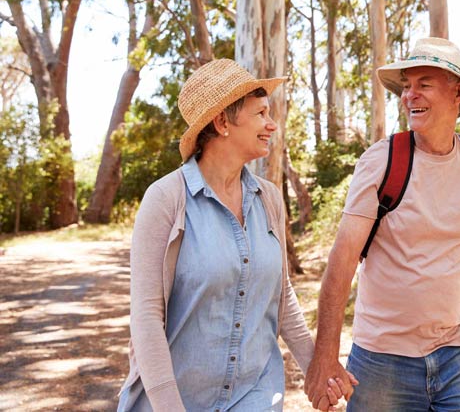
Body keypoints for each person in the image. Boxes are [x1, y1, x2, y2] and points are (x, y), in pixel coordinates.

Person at [117, 59, 353, 412]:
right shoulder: (166, 199)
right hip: (176, 401)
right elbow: (146, 318)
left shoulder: (269, 197)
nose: (271, 125)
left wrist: (315, 370)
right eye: (260, 113)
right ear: (222, 121)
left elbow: (281, 296)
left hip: (254, 398)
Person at [304, 37, 460, 411]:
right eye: (406, 86)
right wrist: (325, 355)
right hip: (381, 361)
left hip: (456, 354)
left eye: (424, 84)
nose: (409, 96)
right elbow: (342, 260)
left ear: (459, 92)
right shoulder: (382, 162)